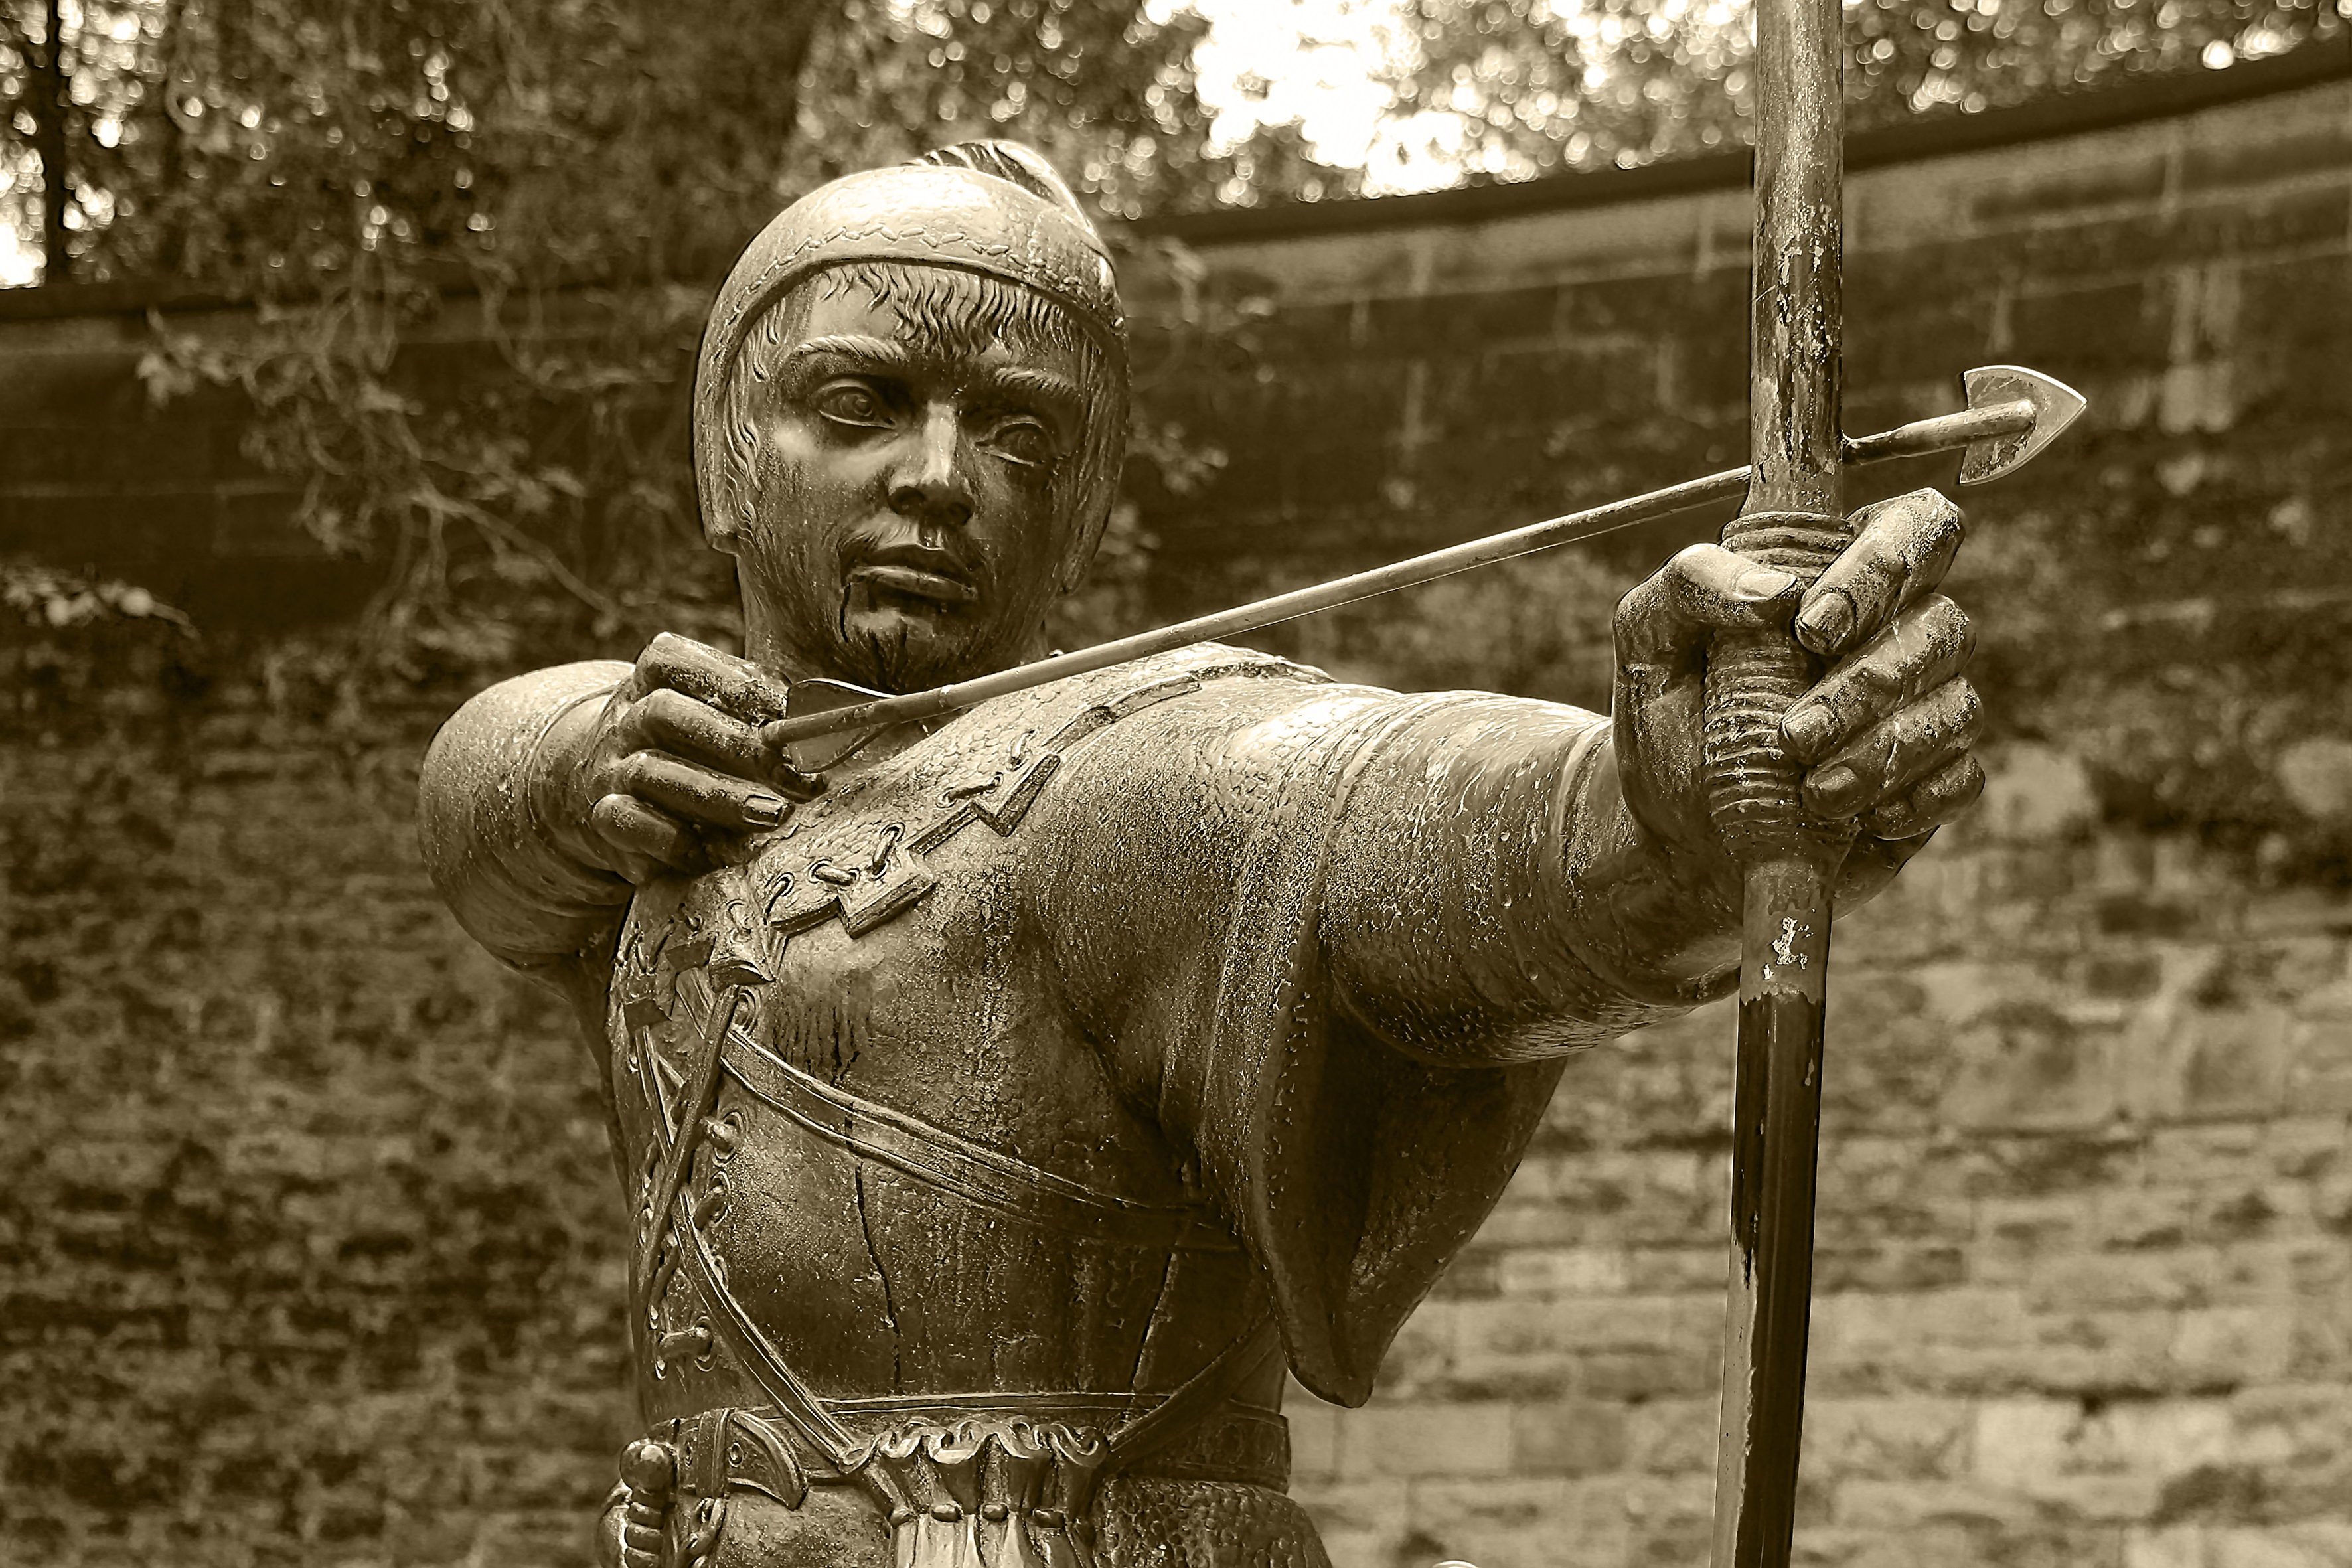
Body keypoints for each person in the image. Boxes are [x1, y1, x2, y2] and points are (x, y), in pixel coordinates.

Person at [418, 141, 1984, 1568]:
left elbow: (1390, 811)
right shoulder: (667, 794)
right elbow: (478, 802)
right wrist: (584, 758)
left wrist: (1655, 812)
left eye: (1017, 432)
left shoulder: (1119, 772)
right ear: (727, 454)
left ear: (1082, 504)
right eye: (859, 405)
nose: (937, 477)